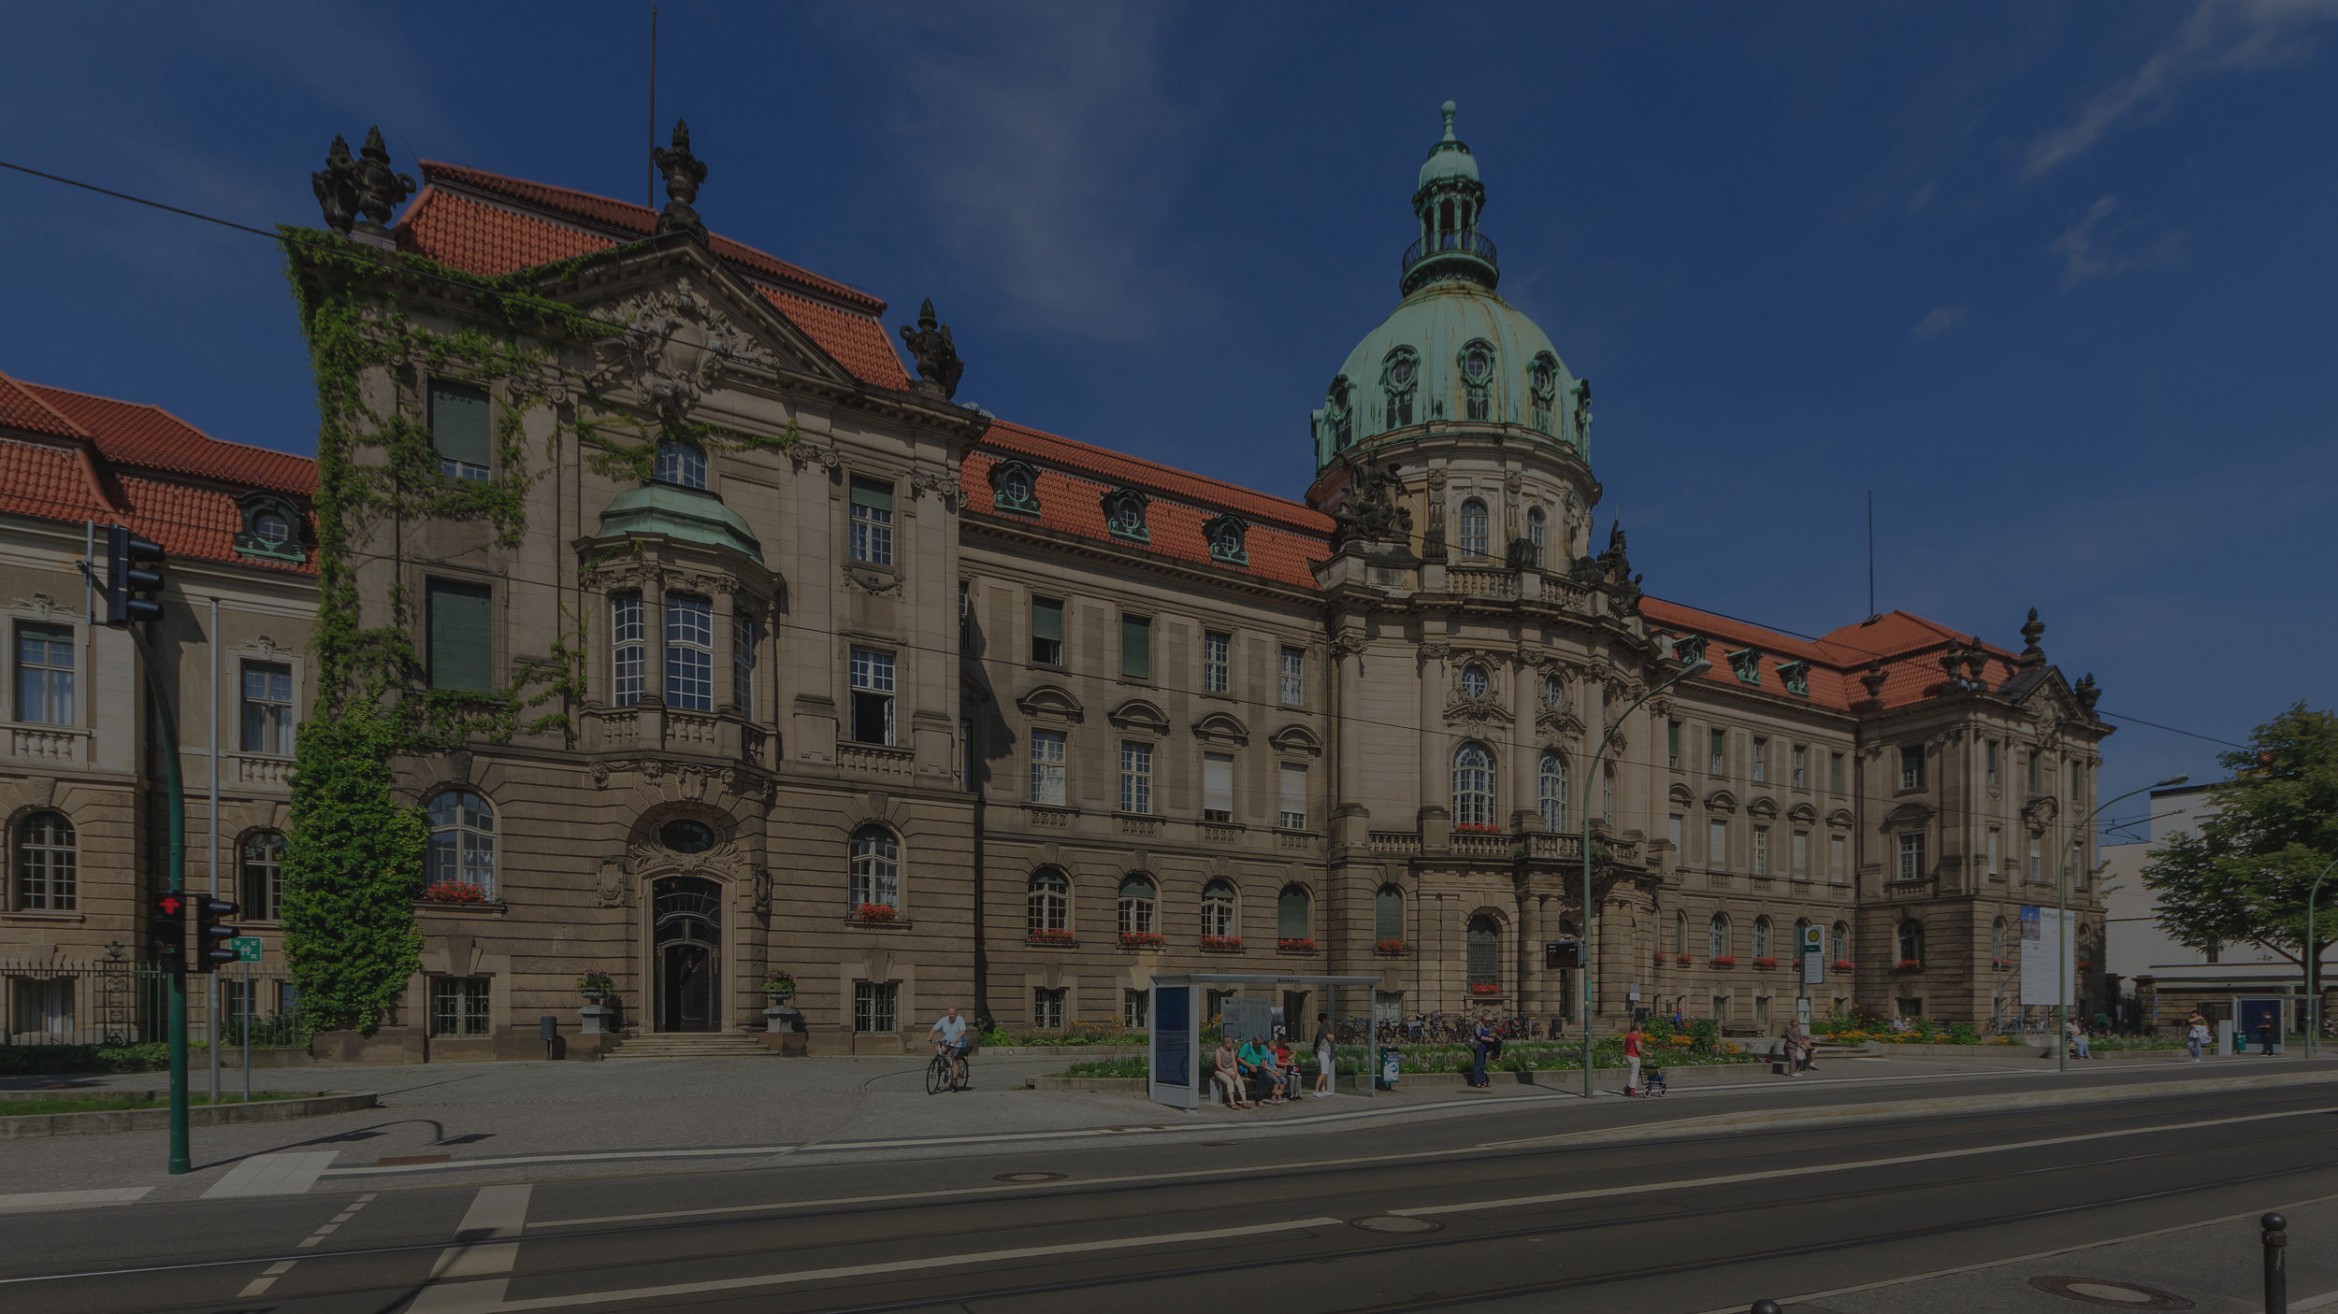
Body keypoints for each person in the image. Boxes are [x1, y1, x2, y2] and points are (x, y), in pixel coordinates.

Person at [1211, 1036, 1251, 1108]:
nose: (1231, 1044)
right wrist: (1228, 1073)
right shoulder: (1218, 1051)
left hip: (1231, 1070)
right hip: (1220, 1071)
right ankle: (1232, 1102)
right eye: (1229, 1043)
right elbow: (1219, 1066)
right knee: (1229, 1081)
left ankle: (1244, 1101)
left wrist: (1235, 1072)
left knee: (1239, 1080)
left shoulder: (1231, 1050)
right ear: (1224, 1043)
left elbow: (1234, 1062)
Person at [1238, 1033, 1274, 1103]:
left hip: (1259, 1069)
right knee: (1261, 1071)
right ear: (1253, 1042)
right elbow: (1239, 1059)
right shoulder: (1247, 1046)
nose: (1258, 1046)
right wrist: (1250, 1066)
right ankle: (1271, 1087)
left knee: (1260, 1077)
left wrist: (1263, 1064)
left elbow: (1263, 1060)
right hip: (1248, 1069)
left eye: (1259, 1045)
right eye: (1256, 1045)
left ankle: (1259, 1099)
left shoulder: (1263, 1047)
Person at [1467, 1014, 1495, 1089]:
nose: (1489, 1023)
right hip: (1479, 1046)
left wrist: (1492, 1035)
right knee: (1478, 1063)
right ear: (1485, 1020)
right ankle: (1477, 1080)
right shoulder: (1478, 1025)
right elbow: (1478, 1036)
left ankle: (1482, 1080)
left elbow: (1488, 1033)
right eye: (1488, 1021)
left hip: (1484, 1047)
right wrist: (1489, 1039)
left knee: (1482, 1063)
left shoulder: (1484, 1026)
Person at [1312, 1012, 1335, 1099]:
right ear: (1324, 1019)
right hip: (1323, 1052)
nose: (1328, 1020)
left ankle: (1323, 1089)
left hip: (1325, 1052)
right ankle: (1316, 1090)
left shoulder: (1322, 1028)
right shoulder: (1323, 1028)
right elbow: (1331, 1038)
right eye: (1327, 1019)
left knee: (1325, 1072)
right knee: (1323, 1072)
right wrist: (1330, 1028)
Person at [1623, 1020, 1645, 1096]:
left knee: (1632, 1073)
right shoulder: (1636, 1037)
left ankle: (1629, 1088)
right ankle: (1631, 1090)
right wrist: (1648, 1053)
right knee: (1634, 1074)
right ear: (1638, 1029)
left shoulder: (1628, 1035)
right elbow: (1638, 1049)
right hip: (1634, 1057)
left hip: (1627, 1056)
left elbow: (1624, 1044)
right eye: (1641, 1028)